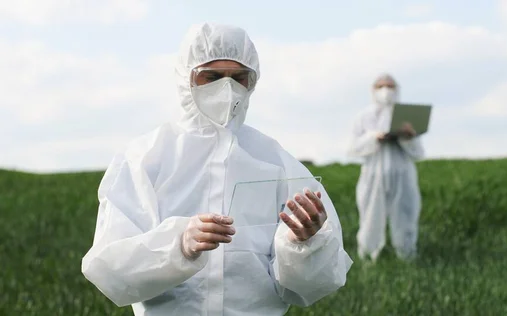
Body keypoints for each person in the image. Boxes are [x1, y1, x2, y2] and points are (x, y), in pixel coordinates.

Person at [81, 22, 352, 316]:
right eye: (211, 76)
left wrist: (304, 244)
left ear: (253, 82)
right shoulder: (144, 159)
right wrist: (178, 244)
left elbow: (312, 284)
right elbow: (109, 268)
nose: (227, 87)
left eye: (239, 77)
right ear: (187, 78)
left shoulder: (275, 161)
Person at [347, 73, 425, 262]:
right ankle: (367, 256)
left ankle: (407, 256)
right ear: (373, 90)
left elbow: (419, 152)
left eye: (390, 86)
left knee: (406, 215)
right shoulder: (363, 117)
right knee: (370, 216)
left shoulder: (406, 116)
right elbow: (353, 148)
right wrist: (374, 137)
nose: (386, 91)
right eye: (381, 86)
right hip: (373, 174)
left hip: (403, 173)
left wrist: (408, 137)